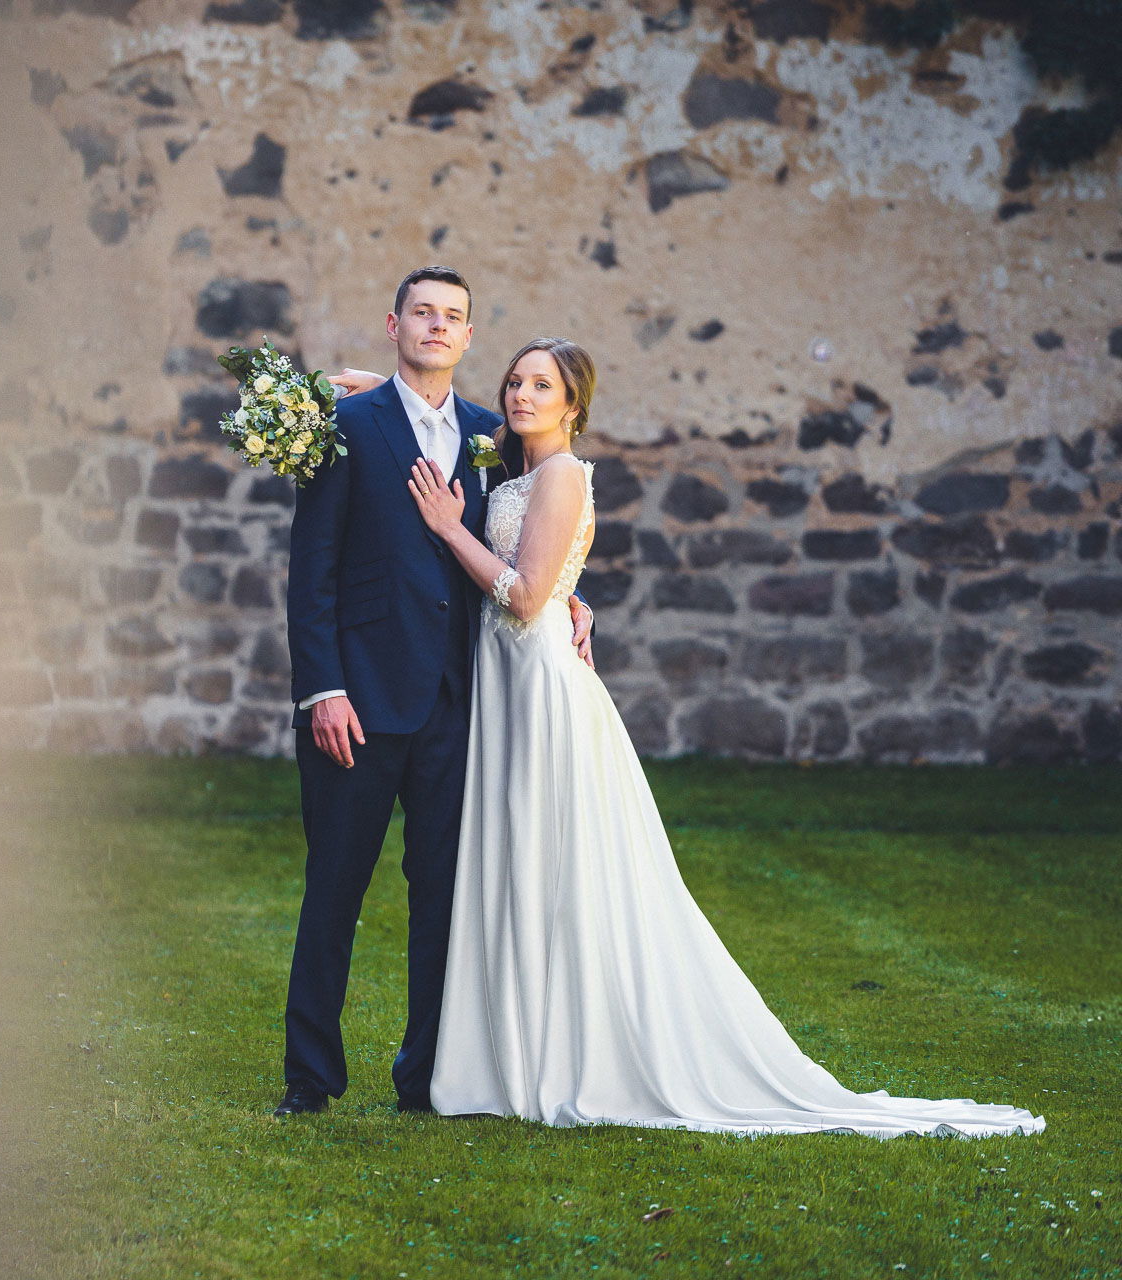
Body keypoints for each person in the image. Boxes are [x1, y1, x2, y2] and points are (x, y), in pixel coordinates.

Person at [365, 334, 1042, 1137]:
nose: (520, 396)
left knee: (553, 859)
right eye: (514, 381)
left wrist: (450, 529)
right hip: (506, 686)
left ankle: (567, 1052)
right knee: (514, 860)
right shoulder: (508, 470)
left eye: (540, 385)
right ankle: (510, 1051)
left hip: (538, 683)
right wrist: (378, 386)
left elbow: (522, 594)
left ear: (572, 404)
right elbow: (467, 461)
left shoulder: (560, 477)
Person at [274, 268, 594, 1118]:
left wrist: (572, 598)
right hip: (361, 702)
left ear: (468, 337)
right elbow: (313, 576)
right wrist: (323, 690)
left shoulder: (494, 435)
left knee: (444, 903)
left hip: (461, 708)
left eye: (453, 317)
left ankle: (425, 1079)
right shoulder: (343, 428)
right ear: (395, 324)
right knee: (334, 890)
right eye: (423, 313)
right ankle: (310, 1078)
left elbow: (537, 535)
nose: (437, 327)